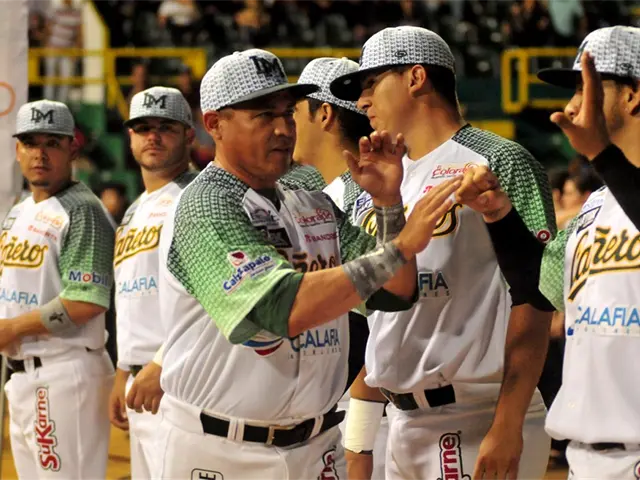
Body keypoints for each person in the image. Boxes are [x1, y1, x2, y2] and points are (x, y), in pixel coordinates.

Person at [151, 47, 462, 479]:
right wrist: (399, 247)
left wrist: (389, 204)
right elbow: (278, 308)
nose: (283, 129)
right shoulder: (205, 204)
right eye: (264, 115)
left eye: (286, 113)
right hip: (222, 450)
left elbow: (396, 290)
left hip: (316, 448)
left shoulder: (312, 204)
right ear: (214, 124)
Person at [330, 26, 555, 479]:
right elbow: (376, 319)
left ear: (416, 77)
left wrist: (508, 422)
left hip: (477, 413)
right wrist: (361, 433)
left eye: (371, 83)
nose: (362, 102)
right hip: (401, 419)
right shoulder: (382, 178)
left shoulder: (499, 159)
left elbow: (537, 296)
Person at [456, 26, 640, 479]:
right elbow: (538, 287)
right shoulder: (597, 204)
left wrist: (602, 154)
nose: (573, 105)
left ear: (633, 95)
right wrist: (499, 214)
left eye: (586, 88)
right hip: (588, 458)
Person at [1, 100, 115, 478]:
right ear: (17, 150)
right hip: (24, 374)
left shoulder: (82, 210)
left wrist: (12, 329)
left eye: (52, 143)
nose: (40, 153)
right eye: (31, 143)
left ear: (73, 149)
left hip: (65, 371)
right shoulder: (19, 211)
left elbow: (86, 301)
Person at [293, 56, 388, 480]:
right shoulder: (310, 192)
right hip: (323, 403)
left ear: (324, 114)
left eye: (295, 109)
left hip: (365, 410)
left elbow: (385, 319)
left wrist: (360, 435)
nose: (287, 122)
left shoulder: (365, 196)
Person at [108, 87, 197, 479]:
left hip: (179, 377)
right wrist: (122, 372)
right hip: (140, 379)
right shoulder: (134, 210)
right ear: (130, 137)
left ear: (189, 135)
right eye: (143, 128)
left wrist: (161, 365)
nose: (153, 137)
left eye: (165, 127)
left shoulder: (197, 196)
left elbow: (206, 300)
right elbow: (130, 301)